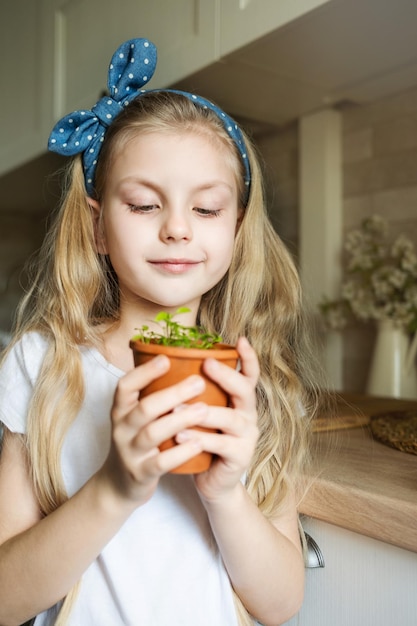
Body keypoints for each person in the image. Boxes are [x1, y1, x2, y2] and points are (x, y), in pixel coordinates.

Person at [0, 38, 320, 626]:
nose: (176, 228)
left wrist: (223, 493)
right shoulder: (43, 366)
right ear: (97, 227)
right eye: (145, 205)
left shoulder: (257, 385)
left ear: (237, 230)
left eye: (205, 210)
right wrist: (115, 488)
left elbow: (281, 605)